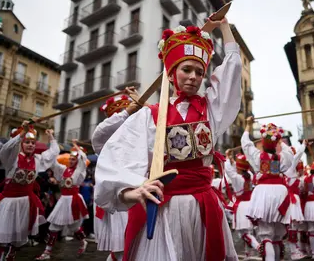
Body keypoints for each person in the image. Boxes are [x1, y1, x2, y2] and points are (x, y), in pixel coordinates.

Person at [94, 17, 241, 261]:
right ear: (171, 74)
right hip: (165, 210)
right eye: (186, 69)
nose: (193, 77)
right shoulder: (148, 116)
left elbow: (232, 71)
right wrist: (135, 192)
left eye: (199, 72)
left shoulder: (212, 109)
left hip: (202, 208)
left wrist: (224, 27)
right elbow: (116, 159)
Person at [0, 122, 59, 261]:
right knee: (1, 238)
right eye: (27, 142)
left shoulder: (38, 160)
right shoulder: (12, 159)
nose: (31, 145)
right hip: (9, 203)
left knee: (17, 239)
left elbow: (52, 153)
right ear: (21, 143)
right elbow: (6, 149)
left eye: (33, 142)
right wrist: (21, 133)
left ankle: (10, 257)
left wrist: (51, 136)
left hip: (26, 204)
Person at [91, 89, 143, 261]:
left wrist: (139, 104)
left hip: (138, 196)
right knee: (121, 248)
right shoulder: (104, 144)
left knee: (137, 245)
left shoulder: (136, 140)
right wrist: (126, 112)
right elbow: (98, 134)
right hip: (117, 199)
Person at [241, 118, 295, 261]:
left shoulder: (257, 157)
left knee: (266, 236)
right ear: (276, 143)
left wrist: (248, 125)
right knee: (277, 236)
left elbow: (245, 143)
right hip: (280, 192)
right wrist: (278, 140)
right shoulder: (283, 158)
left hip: (263, 192)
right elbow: (289, 152)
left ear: (263, 144)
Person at [36, 140, 89, 260]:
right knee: (53, 227)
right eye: (70, 159)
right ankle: (47, 252)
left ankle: (83, 242)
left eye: (73, 159)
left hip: (74, 201)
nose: (71, 161)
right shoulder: (63, 169)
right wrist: (51, 139)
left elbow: (83, 159)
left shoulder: (80, 171)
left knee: (74, 227)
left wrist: (75, 146)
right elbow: (53, 163)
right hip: (63, 200)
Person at [224, 150, 259, 258]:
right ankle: (248, 255)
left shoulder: (237, 179)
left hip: (242, 207)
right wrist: (233, 161)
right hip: (250, 205)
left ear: (239, 168)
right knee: (248, 232)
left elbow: (229, 171)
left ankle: (258, 246)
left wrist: (226, 158)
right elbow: (237, 169)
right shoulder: (250, 175)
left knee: (244, 233)